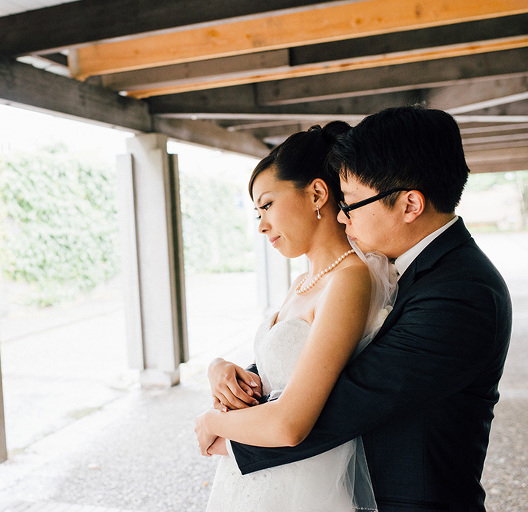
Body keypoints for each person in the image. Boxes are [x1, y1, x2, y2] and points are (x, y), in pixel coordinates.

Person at [202, 106, 512, 512]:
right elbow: (326, 357)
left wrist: (225, 431)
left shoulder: (461, 293)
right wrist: (238, 378)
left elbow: (345, 401)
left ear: (410, 205)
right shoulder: (400, 270)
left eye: (351, 203)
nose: (343, 218)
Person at [195, 120, 397, 511]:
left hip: (301, 484)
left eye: (267, 205)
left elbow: (291, 423)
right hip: (258, 478)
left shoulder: (350, 279)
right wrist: (222, 370)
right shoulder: (304, 282)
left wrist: (212, 423)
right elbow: (280, 376)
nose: (261, 225)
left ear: (317, 193)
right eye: (257, 212)